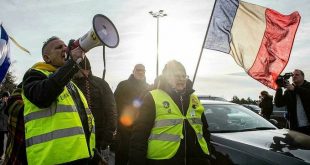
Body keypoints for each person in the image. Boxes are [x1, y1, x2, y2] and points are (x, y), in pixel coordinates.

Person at [21, 36, 96, 164]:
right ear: (47, 58)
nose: (65, 49)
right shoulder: (33, 75)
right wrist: (71, 63)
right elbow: (42, 97)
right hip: (52, 158)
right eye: (59, 47)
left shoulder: (70, 84)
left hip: (81, 154)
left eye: (65, 46)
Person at [128, 60, 213, 165]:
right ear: (167, 78)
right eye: (177, 76)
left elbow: (204, 130)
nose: (181, 79)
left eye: (183, 76)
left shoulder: (194, 99)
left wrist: (207, 155)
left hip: (197, 160)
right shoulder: (152, 97)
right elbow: (140, 134)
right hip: (162, 161)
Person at [73, 57, 117, 162]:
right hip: (76, 141)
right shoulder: (69, 85)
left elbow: (112, 112)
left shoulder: (100, 84)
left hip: (99, 140)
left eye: (77, 68)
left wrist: (106, 140)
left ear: (85, 68)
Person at [114, 64, 150, 165]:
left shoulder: (148, 87)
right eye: (138, 70)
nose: (140, 72)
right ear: (133, 71)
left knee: (139, 158)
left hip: (142, 130)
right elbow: (114, 104)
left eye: (143, 70)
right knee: (122, 157)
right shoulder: (123, 85)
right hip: (123, 130)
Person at [275, 69, 310, 135]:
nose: (294, 76)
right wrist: (279, 88)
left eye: (297, 75)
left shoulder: (308, 86)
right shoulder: (288, 91)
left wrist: (295, 89)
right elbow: (278, 104)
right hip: (295, 127)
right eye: (293, 75)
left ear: (303, 77)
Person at [0, 91, 9, 159]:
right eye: (4, 97)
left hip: (7, 126)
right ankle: (0, 155)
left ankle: (8, 154)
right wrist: (3, 104)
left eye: (7, 97)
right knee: (0, 141)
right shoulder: (0, 104)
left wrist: (7, 104)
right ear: (2, 98)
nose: (5, 98)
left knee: (9, 140)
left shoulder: (9, 104)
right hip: (1, 126)